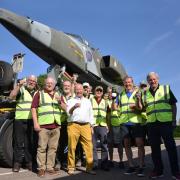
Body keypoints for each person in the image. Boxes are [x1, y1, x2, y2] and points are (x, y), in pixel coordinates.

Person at [138, 72, 180, 179]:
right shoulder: (145, 93)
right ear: (148, 81)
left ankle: (175, 172)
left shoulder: (165, 89)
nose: (152, 81)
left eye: (154, 79)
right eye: (150, 80)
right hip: (152, 123)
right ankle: (158, 170)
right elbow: (142, 108)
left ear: (158, 79)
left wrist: (174, 120)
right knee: (155, 149)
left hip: (165, 122)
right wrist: (138, 99)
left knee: (170, 148)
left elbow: (173, 105)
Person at [31, 77, 63, 177]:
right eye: (47, 83)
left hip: (56, 126)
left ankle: (50, 167)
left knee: (53, 148)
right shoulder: (39, 94)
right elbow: (33, 108)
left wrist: (59, 102)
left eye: (51, 83)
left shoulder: (58, 95)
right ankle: (41, 169)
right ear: (45, 84)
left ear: (54, 85)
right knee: (42, 148)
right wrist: (36, 123)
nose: (49, 85)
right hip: (43, 126)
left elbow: (66, 108)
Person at [116, 76, 145, 177]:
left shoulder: (138, 93)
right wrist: (114, 106)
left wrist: (137, 100)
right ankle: (131, 166)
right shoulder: (120, 95)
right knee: (127, 145)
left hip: (136, 122)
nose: (127, 84)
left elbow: (141, 108)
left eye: (129, 82)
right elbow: (114, 106)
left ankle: (141, 167)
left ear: (132, 83)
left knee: (140, 144)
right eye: (125, 82)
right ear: (123, 84)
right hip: (124, 122)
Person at [10, 75, 38, 172]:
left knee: (29, 143)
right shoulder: (21, 89)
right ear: (27, 81)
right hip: (20, 120)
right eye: (30, 80)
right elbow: (11, 96)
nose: (31, 82)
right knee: (18, 143)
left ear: (36, 83)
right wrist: (18, 85)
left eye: (33, 81)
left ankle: (28, 163)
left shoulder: (37, 93)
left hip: (31, 121)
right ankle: (17, 164)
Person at [66, 83, 95, 175]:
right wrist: (74, 107)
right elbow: (68, 113)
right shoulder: (70, 100)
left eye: (80, 89)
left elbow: (91, 114)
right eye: (77, 89)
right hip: (73, 125)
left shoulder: (87, 101)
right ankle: (71, 167)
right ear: (74, 90)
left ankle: (89, 168)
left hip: (86, 125)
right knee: (72, 147)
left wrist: (92, 126)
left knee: (89, 147)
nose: (79, 91)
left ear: (83, 90)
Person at [91, 86, 109, 171]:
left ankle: (104, 164)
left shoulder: (106, 102)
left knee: (104, 146)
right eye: (97, 90)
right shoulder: (90, 100)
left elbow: (108, 115)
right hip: (93, 126)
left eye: (100, 91)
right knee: (93, 146)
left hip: (103, 126)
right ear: (94, 91)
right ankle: (95, 164)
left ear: (102, 92)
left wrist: (107, 125)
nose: (98, 92)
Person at [108, 88, 125, 169]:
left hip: (118, 125)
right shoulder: (107, 101)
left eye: (112, 93)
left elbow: (115, 108)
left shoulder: (119, 100)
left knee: (119, 144)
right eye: (109, 93)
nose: (111, 94)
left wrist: (115, 102)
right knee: (110, 144)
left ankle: (121, 161)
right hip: (109, 125)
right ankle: (111, 161)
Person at [57, 80, 72, 170]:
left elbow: (68, 109)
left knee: (68, 144)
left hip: (70, 123)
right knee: (60, 144)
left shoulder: (73, 98)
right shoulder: (59, 96)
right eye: (65, 85)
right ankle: (58, 162)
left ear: (71, 87)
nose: (66, 87)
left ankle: (65, 163)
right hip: (61, 123)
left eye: (68, 86)